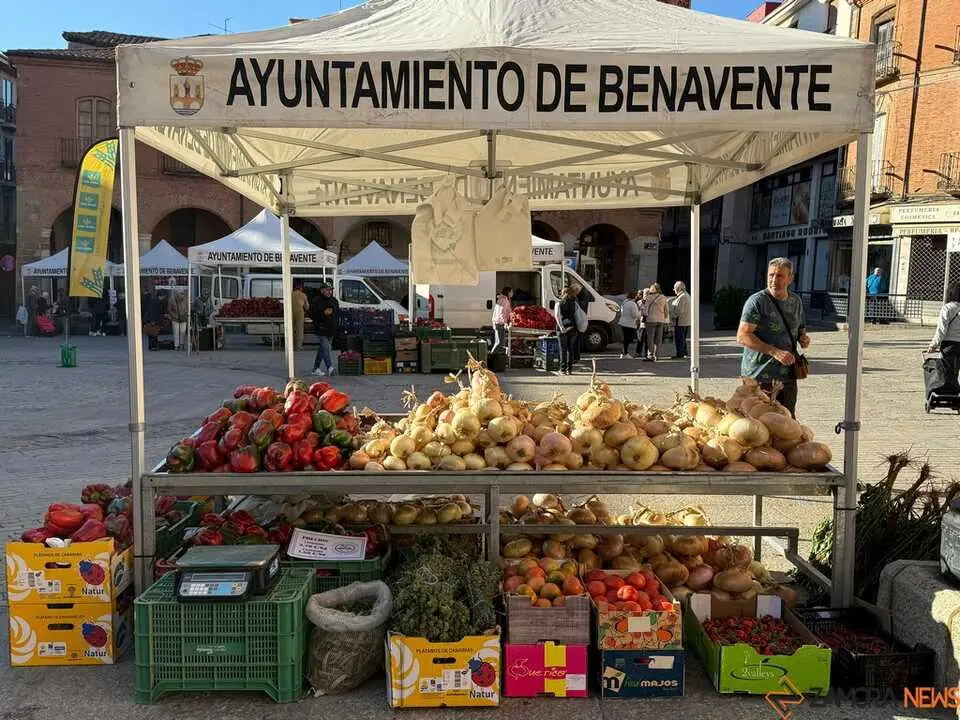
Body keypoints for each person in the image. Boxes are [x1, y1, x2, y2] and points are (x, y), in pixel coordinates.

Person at [736, 258, 810, 418]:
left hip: (787, 376)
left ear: (790, 278)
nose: (774, 280)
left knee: (787, 422)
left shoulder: (795, 301)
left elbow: (800, 328)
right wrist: (774, 352)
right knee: (760, 424)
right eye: (771, 275)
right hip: (759, 376)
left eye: (779, 276)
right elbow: (742, 335)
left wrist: (803, 338)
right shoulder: (757, 301)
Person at [927, 281, 960, 391]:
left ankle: (951, 394)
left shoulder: (947, 308)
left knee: (948, 373)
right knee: (956, 372)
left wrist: (933, 345)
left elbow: (941, 330)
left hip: (949, 345)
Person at [310, 283, 340, 377]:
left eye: (330, 290)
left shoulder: (334, 301)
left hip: (331, 329)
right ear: (321, 290)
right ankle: (330, 368)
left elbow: (337, 315)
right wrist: (323, 314)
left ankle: (315, 368)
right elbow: (312, 314)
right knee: (326, 348)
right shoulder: (316, 301)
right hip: (321, 328)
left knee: (322, 349)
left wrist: (336, 326)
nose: (329, 291)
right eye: (327, 290)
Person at [554, 284, 581, 375]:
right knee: (571, 349)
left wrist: (561, 327)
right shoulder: (574, 303)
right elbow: (577, 316)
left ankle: (563, 370)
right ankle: (570, 370)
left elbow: (557, 316)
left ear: (562, 293)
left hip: (563, 329)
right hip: (573, 329)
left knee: (563, 350)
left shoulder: (558, 303)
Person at [643, 283, 669, 362]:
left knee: (650, 338)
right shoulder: (664, 298)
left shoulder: (649, 298)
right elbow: (666, 310)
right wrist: (664, 318)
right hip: (660, 320)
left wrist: (644, 316)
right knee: (658, 339)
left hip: (651, 320)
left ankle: (651, 355)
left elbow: (645, 310)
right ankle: (657, 355)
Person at [670, 281, 692, 359]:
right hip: (685, 321)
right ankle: (684, 352)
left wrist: (673, 316)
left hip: (681, 321)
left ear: (678, 288)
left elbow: (679, 310)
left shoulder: (682, 297)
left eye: (674, 288)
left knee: (680, 338)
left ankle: (680, 353)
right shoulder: (686, 295)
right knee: (682, 338)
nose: (674, 290)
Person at [490, 286, 513, 355]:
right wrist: (505, 322)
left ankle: (496, 358)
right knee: (499, 342)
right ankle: (490, 357)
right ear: (508, 292)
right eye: (512, 292)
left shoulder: (503, 299)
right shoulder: (504, 300)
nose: (512, 293)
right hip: (499, 323)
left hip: (498, 322)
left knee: (501, 343)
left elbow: (507, 311)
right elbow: (501, 312)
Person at [618, 292, 639, 359]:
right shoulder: (633, 304)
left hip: (623, 322)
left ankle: (623, 353)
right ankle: (625, 353)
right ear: (634, 297)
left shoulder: (624, 303)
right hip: (629, 323)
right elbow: (634, 315)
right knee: (628, 339)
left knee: (625, 339)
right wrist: (640, 313)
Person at [291, 281, 310, 351]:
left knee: (291, 330)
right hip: (299, 313)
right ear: (301, 288)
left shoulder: (291, 294)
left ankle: (291, 346)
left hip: (290, 312)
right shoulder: (303, 295)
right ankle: (298, 347)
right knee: (299, 330)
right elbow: (307, 307)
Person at [636, 288, 649, 360]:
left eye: (648, 294)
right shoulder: (639, 302)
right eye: (645, 294)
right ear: (643, 295)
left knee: (648, 339)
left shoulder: (651, 302)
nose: (646, 295)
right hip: (642, 323)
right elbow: (637, 312)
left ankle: (647, 354)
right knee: (640, 338)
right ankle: (638, 352)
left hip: (649, 323)